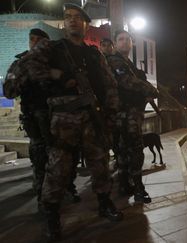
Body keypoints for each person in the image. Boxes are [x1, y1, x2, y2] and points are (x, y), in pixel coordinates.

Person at [16, 4, 122, 241]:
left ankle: (104, 203)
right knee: (57, 169)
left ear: (86, 24)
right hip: (63, 118)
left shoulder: (95, 55)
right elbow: (27, 66)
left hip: (92, 117)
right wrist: (57, 75)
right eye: (68, 18)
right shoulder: (51, 48)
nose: (72, 21)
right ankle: (52, 217)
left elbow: (110, 86)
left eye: (77, 18)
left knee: (100, 163)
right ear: (64, 24)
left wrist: (111, 114)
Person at [3, 28, 80, 212]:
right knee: (39, 161)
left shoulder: (59, 62)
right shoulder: (20, 63)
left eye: (40, 40)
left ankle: (68, 188)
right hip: (36, 121)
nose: (35, 43)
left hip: (60, 120)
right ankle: (42, 200)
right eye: (32, 39)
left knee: (68, 157)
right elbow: (9, 91)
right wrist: (24, 70)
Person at [106, 30, 158, 203]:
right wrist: (151, 90)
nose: (125, 42)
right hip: (125, 113)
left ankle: (124, 184)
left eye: (128, 39)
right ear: (115, 43)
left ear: (132, 43)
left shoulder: (127, 63)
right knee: (135, 149)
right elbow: (127, 82)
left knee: (124, 150)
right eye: (121, 39)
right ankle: (138, 188)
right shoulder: (115, 61)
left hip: (127, 113)